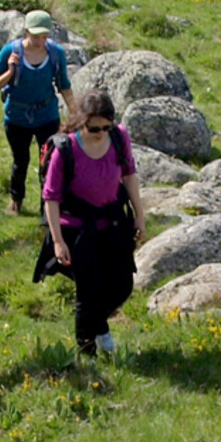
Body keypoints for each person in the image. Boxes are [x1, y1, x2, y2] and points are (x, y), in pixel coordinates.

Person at [37, 89, 147, 357]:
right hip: (76, 230)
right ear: (81, 122)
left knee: (121, 286)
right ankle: (87, 353)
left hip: (112, 225)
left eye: (105, 127)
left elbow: (129, 175)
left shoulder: (119, 138)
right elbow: (51, 198)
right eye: (93, 128)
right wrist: (59, 242)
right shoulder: (65, 149)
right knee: (88, 292)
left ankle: (97, 326)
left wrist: (140, 215)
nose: (100, 133)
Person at [0, 9, 74, 215]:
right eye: (36, 36)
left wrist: (76, 114)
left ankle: (47, 206)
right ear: (26, 32)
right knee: (20, 160)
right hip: (17, 116)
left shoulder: (55, 54)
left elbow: (64, 85)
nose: (40, 41)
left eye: (44, 36)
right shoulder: (11, 51)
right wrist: (10, 71)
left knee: (50, 162)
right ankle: (16, 199)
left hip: (47, 115)